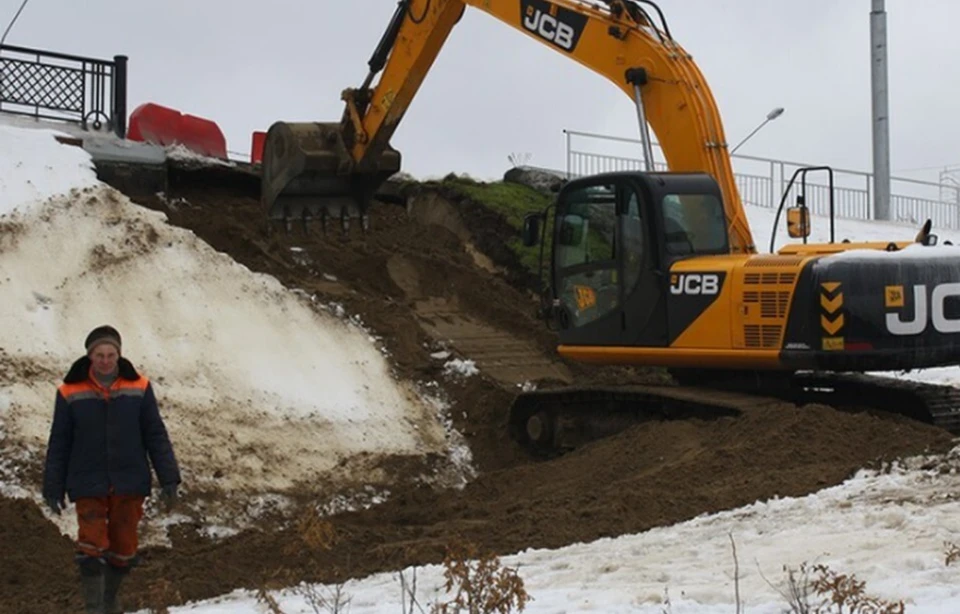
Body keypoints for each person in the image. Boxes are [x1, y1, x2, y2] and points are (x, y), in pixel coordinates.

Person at [42, 325, 182, 614]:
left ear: (119, 354)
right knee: (91, 546)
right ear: (89, 356)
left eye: (111, 354)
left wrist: (169, 477)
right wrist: (52, 487)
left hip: (129, 480)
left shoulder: (139, 387)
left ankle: (110, 600)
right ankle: (95, 608)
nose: (105, 360)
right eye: (99, 355)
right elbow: (59, 441)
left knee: (123, 547)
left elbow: (154, 433)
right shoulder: (70, 391)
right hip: (87, 480)